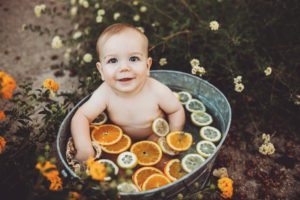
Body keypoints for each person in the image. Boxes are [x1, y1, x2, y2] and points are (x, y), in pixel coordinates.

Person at [71, 23, 185, 161]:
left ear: (147, 65)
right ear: (101, 71)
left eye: (133, 59)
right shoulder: (105, 93)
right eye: (113, 60)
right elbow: (81, 117)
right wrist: (85, 149)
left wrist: (173, 135)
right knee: (113, 168)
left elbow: (176, 110)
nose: (124, 67)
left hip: (156, 137)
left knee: (162, 164)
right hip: (119, 141)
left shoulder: (156, 90)